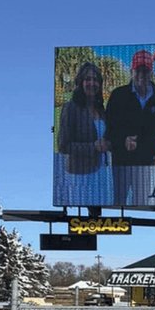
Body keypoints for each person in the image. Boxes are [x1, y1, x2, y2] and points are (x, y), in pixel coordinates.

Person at [105, 49, 155, 206]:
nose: (141, 75)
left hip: (144, 162)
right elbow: (109, 128)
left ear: (151, 73)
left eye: (145, 71)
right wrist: (123, 140)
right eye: (138, 71)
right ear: (132, 71)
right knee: (119, 201)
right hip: (121, 161)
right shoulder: (118, 95)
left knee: (142, 202)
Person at [56, 62, 112, 206]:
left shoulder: (101, 110)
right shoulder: (71, 108)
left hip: (102, 174)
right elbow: (63, 145)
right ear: (80, 82)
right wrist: (93, 147)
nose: (92, 83)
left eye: (95, 80)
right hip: (80, 177)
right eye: (88, 79)